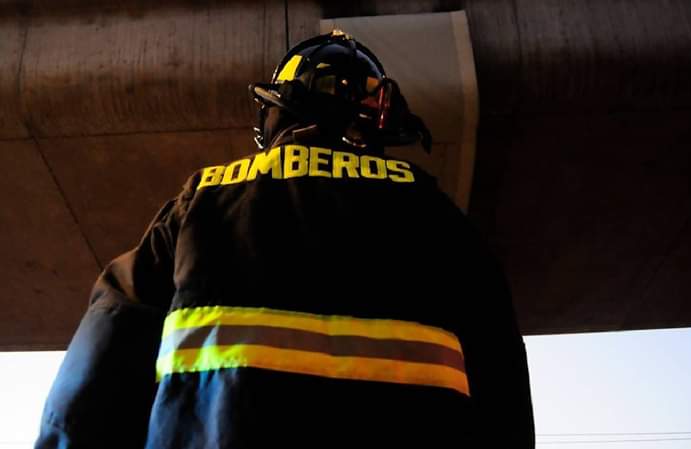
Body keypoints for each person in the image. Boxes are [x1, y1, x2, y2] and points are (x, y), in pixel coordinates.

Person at [35, 30, 535, 448]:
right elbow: (503, 390)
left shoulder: (201, 203)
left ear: (278, 110)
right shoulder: (434, 214)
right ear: (377, 118)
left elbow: (98, 371)